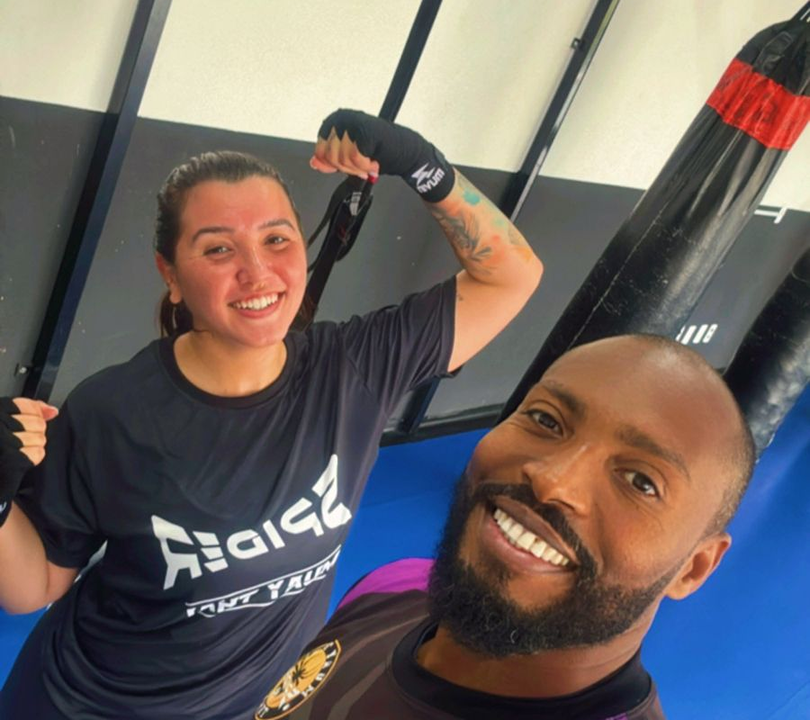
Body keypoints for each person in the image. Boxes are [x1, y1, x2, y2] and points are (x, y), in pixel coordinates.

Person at [0, 110, 543, 719]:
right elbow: (34, 587)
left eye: (277, 240)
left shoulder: (355, 369)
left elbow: (511, 276)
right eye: (218, 249)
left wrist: (422, 164)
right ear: (170, 275)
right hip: (87, 705)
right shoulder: (112, 413)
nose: (257, 272)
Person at [251, 334, 756, 720]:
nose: (553, 480)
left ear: (694, 568)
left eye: (641, 481)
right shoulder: (396, 584)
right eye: (546, 419)